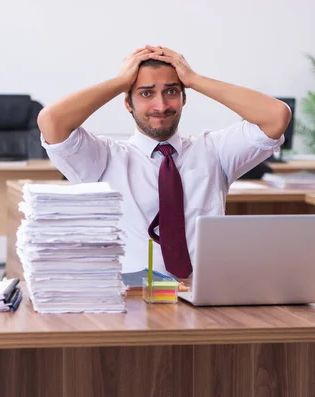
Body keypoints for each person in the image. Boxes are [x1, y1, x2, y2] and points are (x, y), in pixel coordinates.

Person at [37, 45, 291, 278]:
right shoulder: (104, 157)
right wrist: (121, 82)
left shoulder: (213, 151)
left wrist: (193, 80)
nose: (161, 105)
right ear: (128, 102)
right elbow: (51, 121)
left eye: (171, 92)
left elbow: (276, 116)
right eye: (146, 93)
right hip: (134, 299)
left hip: (201, 296)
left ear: (184, 98)